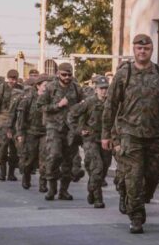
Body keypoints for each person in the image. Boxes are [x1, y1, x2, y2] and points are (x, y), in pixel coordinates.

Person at [102, 34, 159, 234]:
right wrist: (106, 135)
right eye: (138, 48)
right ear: (134, 50)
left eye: (146, 48)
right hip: (130, 133)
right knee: (134, 175)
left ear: (151, 50)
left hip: (155, 133)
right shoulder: (124, 74)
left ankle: (133, 194)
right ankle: (136, 216)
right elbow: (110, 105)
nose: (142, 51)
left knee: (155, 172)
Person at [40, 63, 83, 201]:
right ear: (58, 74)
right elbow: (40, 106)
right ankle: (52, 188)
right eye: (64, 74)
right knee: (54, 156)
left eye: (69, 75)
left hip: (70, 129)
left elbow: (84, 103)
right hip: (54, 127)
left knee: (68, 161)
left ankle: (63, 191)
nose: (67, 77)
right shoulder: (50, 87)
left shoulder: (76, 88)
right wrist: (58, 105)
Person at [71, 75, 112, 208]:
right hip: (91, 140)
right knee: (97, 167)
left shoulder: (112, 103)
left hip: (106, 140)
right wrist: (79, 130)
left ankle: (91, 188)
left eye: (106, 88)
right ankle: (98, 198)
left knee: (104, 168)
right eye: (101, 89)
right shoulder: (89, 102)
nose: (103, 91)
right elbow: (71, 114)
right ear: (96, 89)